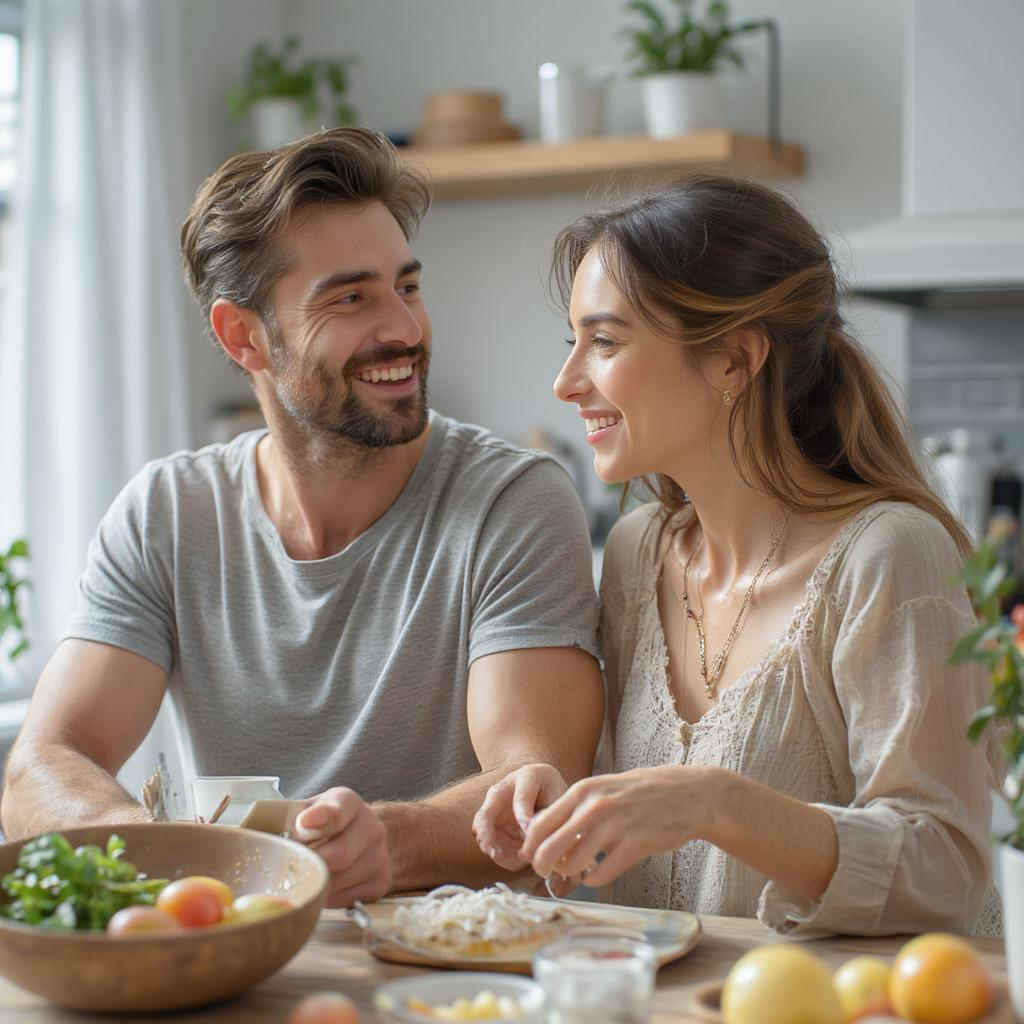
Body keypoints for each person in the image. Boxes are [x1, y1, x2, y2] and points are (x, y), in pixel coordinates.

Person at [0, 128, 604, 908]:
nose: (406, 329)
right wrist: (162, 856)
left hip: (449, 977)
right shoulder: (166, 514)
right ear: (243, 336)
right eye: (352, 297)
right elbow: (43, 763)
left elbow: (533, 792)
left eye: (408, 287)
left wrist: (382, 842)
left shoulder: (511, 501)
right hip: (220, 962)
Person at [473, 175, 1002, 936]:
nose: (565, 382)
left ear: (732, 361)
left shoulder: (888, 555)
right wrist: (557, 801)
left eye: (605, 341)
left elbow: (946, 868)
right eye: (574, 342)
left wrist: (715, 803)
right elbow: (644, 836)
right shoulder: (637, 553)